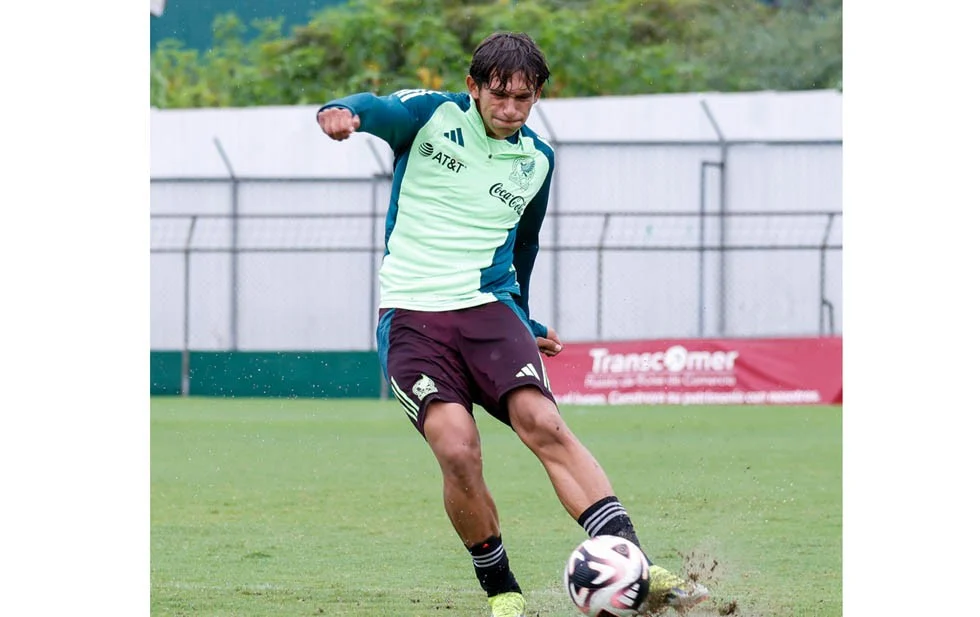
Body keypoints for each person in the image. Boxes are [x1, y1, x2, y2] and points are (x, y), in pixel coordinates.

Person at [316, 32, 708, 617]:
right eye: (498, 95)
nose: (509, 109)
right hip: (413, 317)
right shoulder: (433, 116)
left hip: (487, 309)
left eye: (523, 99)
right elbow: (377, 107)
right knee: (457, 448)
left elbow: (522, 249)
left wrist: (524, 318)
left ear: (537, 97)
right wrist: (343, 111)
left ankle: (637, 566)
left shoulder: (537, 161)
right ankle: (503, 592)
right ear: (474, 87)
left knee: (543, 422)